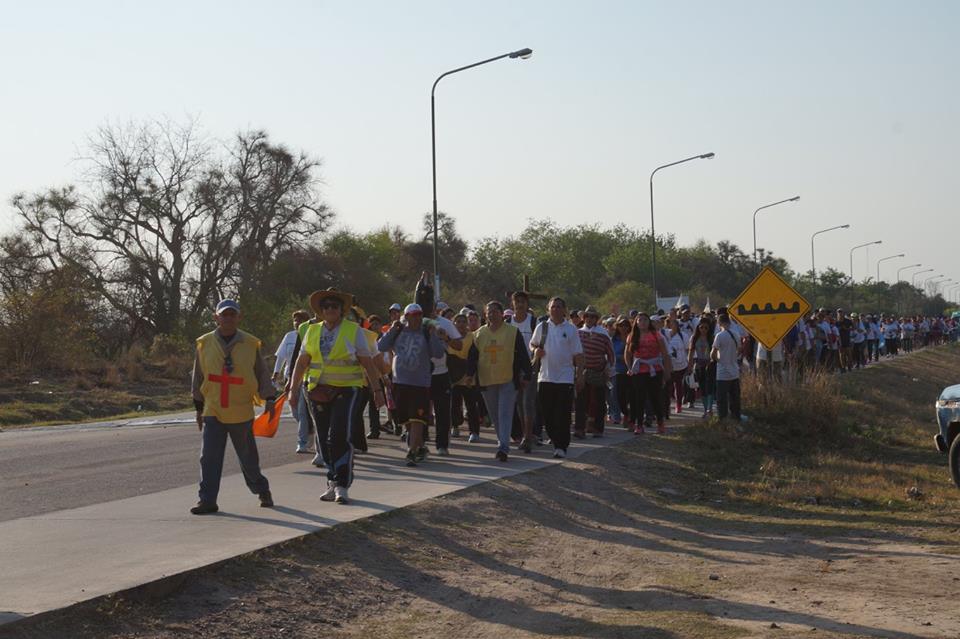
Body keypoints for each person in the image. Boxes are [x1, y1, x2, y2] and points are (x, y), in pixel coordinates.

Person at [288, 288, 386, 505]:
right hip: (317, 391)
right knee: (323, 439)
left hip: (347, 389)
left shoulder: (354, 331)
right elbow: (301, 363)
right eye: (326, 307)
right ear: (320, 311)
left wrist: (378, 391)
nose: (330, 310)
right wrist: (293, 390)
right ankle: (331, 482)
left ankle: (342, 485)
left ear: (342, 310)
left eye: (334, 306)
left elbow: (368, 363)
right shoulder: (312, 331)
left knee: (339, 435)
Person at [190, 299, 276, 515]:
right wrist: (198, 407)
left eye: (232, 314)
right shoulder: (204, 343)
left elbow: (262, 372)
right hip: (213, 409)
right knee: (209, 457)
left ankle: (261, 489)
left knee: (247, 458)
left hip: (241, 409)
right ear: (216, 317)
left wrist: (270, 399)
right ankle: (207, 500)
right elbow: (198, 375)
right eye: (224, 315)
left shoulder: (250, 343)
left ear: (239, 317)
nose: (228, 318)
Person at [377, 303, 447, 467]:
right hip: (400, 382)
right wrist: (393, 329)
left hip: (420, 383)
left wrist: (433, 336)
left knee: (417, 418)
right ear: (406, 317)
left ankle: (412, 451)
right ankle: (420, 446)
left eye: (418, 315)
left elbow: (438, 353)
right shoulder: (399, 330)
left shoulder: (425, 332)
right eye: (412, 315)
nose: (416, 318)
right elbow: (381, 346)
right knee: (406, 420)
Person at [468, 301, 532, 461]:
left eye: (496, 311)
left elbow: (523, 354)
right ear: (485, 314)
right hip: (487, 379)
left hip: (508, 379)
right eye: (489, 311)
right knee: (495, 415)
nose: (492, 314)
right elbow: (472, 356)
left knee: (505, 413)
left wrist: (527, 374)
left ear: (502, 313)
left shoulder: (512, 332)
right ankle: (502, 440)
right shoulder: (479, 334)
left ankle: (503, 447)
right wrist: (469, 374)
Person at [530, 297, 584, 458]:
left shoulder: (571, 329)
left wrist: (579, 375)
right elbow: (533, 344)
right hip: (545, 377)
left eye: (559, 307)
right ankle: (554, 438)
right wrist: (535, 351)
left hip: (565, 377)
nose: (555, 309)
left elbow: (579, 354)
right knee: (547, 413)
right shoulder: (542, 326)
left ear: (564, 309)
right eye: (553, 307)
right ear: (548, 309)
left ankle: (561, 446)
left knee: (563, 413)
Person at [273, 309, 314, 453]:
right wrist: (276, 372)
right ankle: (310, 429)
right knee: (295, 411)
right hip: (289, 377)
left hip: (305, 378)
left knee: (302, 411)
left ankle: (302, 443)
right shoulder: (289, 337)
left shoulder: (311, 335)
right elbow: (281, 357)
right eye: (295, 320)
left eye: (301, 320)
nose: (297, 323)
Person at [624, 312, 672, 434]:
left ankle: (660, 422)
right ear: (636, 322)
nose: (643, 322)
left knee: (655, 397)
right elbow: (627, 354)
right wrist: (629, 367)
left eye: (645, 319)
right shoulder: (632, 336)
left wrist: (667, 371)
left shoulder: (656, 335)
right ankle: (639, 425)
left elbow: (665, 354)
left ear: (649, 322)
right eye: (640, 320)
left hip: (655, 370)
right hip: (639, 370)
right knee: (639, 398)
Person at [574, 305, 615, 438]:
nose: (589, 318)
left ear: (596, 318)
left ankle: (598, 429)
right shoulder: (578, 332)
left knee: (599, 401)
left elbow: (610, 354)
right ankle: (580, 428)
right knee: (581, 402)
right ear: (584, 318)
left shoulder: (603, 333)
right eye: (587, 316)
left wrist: (608, 369)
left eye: (592, 316)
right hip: (582, 371)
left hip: (599, 371)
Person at [507, 290, 539, 452]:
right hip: (512, 367)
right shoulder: (508, 322)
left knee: (528, 402)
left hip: (530, 367)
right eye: (517, 301)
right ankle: (525, 433)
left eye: (523, 302)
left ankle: (527, 437)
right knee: (518, 403)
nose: (520, 304)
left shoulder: (533, 322)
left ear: (527, 305)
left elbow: (539, 344)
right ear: (512, 304)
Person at [448, 313, 481, 442]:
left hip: (468, 377)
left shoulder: (472, 337)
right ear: (454, 323)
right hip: (454, 378)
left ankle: (474, 431)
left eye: (463, 322)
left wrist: (470, 374)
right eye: (458, 322)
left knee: (471, 405)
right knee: (454, 405)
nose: (461, 324)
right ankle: (455, 426)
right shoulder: (449, 338)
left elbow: (474, 357)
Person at [711, 314, 741, 420]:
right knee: (735, 398)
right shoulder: (736, 334)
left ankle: (723, 420)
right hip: (734, 371)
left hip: (722, 373)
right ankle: (736, 418)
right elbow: (739, 350)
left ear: (719, 323)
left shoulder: (719, 336)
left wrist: (719, 360)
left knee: (722, 399)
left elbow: (712, 354)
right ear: (729, 322)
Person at [688, 318, 715, 417]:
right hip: (699, 364)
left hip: (710, 364)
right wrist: (690, 366)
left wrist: (713, 361)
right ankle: (705, 410)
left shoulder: (712, 338)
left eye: (706, 328)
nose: (703, 329)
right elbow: (690, 353)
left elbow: (716, 352)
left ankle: (710, 408)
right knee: (702, 388)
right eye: (701, 327)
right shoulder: (694, 338)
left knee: (710, 387)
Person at [665, 318, 688, 413]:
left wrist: (689, 363)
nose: (673, 326)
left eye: (675, 324)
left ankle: (678, 405)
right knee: (668, 387)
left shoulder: (684, 336)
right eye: (671, 324)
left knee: (678, 385)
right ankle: (668, 406)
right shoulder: (665, 334)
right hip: (668, 365)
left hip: (680, 365)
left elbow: (687, 349)